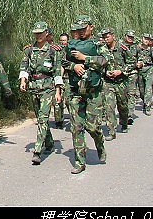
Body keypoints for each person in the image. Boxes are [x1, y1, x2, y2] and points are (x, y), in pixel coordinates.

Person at [62, 14, 112, 174]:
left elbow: (106, 60)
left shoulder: (99, 44)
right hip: (75, 91)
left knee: (92, 127)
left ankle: (100, 143)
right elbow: (62, 62)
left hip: (93, 92)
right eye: (79, 29)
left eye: (84, 28)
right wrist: (74, 66)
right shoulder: (71, 44)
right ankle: (80, 161)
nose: (81, 31)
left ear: (91, 27)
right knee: (76, 127)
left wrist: (86, 58)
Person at [19, 21, 63, 165]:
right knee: (40, 118)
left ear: (46, 33)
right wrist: (23, 81)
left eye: (40, 33)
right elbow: (24, 66)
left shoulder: (53, 51)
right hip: (34, 87)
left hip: (48, 88)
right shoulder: (29, 50)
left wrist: (58, 92)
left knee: (43, 118)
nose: (38, 36)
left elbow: (57, 72)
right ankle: (49, 142)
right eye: (36, 33)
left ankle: (37, 151)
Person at [100, 27, 129, 140]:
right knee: (109, 107)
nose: (105, 39)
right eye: (104, 37)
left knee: (123, 105)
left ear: (113, 36)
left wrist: (121, 71)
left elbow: (132, 63)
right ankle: (111, 131)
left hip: (121, 82)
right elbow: (98, 64)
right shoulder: (101, 49)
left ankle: (124, 122)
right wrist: (105, 72)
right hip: (108, 82)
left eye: (107, 37)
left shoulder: (122, 48)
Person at [136, 33, 153, 116]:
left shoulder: (151, 50)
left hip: (149, 70)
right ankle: (144, 102)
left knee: (148, 89)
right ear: (142, 39)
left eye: (148, 39)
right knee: (141, 90)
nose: (146, 41)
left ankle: (147, 107)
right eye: (145, 38)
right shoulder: (137, 48)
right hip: (140, 71)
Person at [46, 28, 66, 129]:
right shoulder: (38, 48)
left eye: (48, 35)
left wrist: (60, 78)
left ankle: (59, 120)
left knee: (57, 101)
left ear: (51, 36)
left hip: (57, 76)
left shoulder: (57, 49)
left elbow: (62, 64)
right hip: (45, 79)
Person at [121, 30, 140, 125]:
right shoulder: (120, 46)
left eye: (132, 37)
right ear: (125, 36)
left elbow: (141, 58)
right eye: (129, 36)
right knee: (123, 95)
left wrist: (140, 63)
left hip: (132, 73)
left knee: (131, 93)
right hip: (122, 73)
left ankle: (130, 114)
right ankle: (124, 112)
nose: (130, 38)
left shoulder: (136, 47)